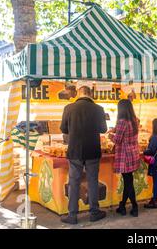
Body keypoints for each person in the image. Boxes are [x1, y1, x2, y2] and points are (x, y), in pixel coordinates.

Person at [60, 86, 108, 224]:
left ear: (78, 94)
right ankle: (94, 212)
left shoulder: (69, 108)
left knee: (74, 182)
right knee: (93, 181)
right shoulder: (98, 109)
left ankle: (72, 215)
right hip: (93, 150)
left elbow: (63, 129)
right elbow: (103, 129)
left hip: (75, 150)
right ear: (90, 94)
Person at [109, 99, 140, 217]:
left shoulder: (122, 121)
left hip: (125, 155)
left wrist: (110, 135)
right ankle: (122, 206)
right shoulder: (135, 120)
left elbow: (117, 140)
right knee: (128, 181)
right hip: (133, 153)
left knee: (128, 182)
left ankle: (134, 206)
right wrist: (115, 130)